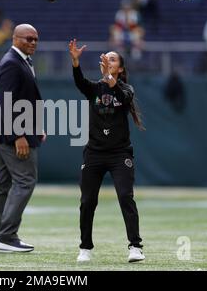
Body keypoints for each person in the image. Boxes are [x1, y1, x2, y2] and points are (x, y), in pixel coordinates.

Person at [68, 39, 145, 263]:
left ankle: (135, 246)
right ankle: (85, 247)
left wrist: (110, 77)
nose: (107, 61)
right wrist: (75, 62)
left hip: (119, 154)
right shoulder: (95, 89)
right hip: (94, 153)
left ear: (120, 68)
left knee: (125, 196)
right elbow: (80, 82)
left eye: (113, 59)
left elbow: (121, 96)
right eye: (106, 58)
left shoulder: (126, 89)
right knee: (88, 201)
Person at [0, 24, 45, 253]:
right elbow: (7, 102)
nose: (33, 42)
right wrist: (19, 135)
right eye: (28, 38)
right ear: (15, 39)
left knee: (1, 185)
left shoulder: (20, 60)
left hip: (6, 132)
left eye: (35, 39)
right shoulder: (11, 63)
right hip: (11, 134)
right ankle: (6, 235)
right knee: (25, 181)